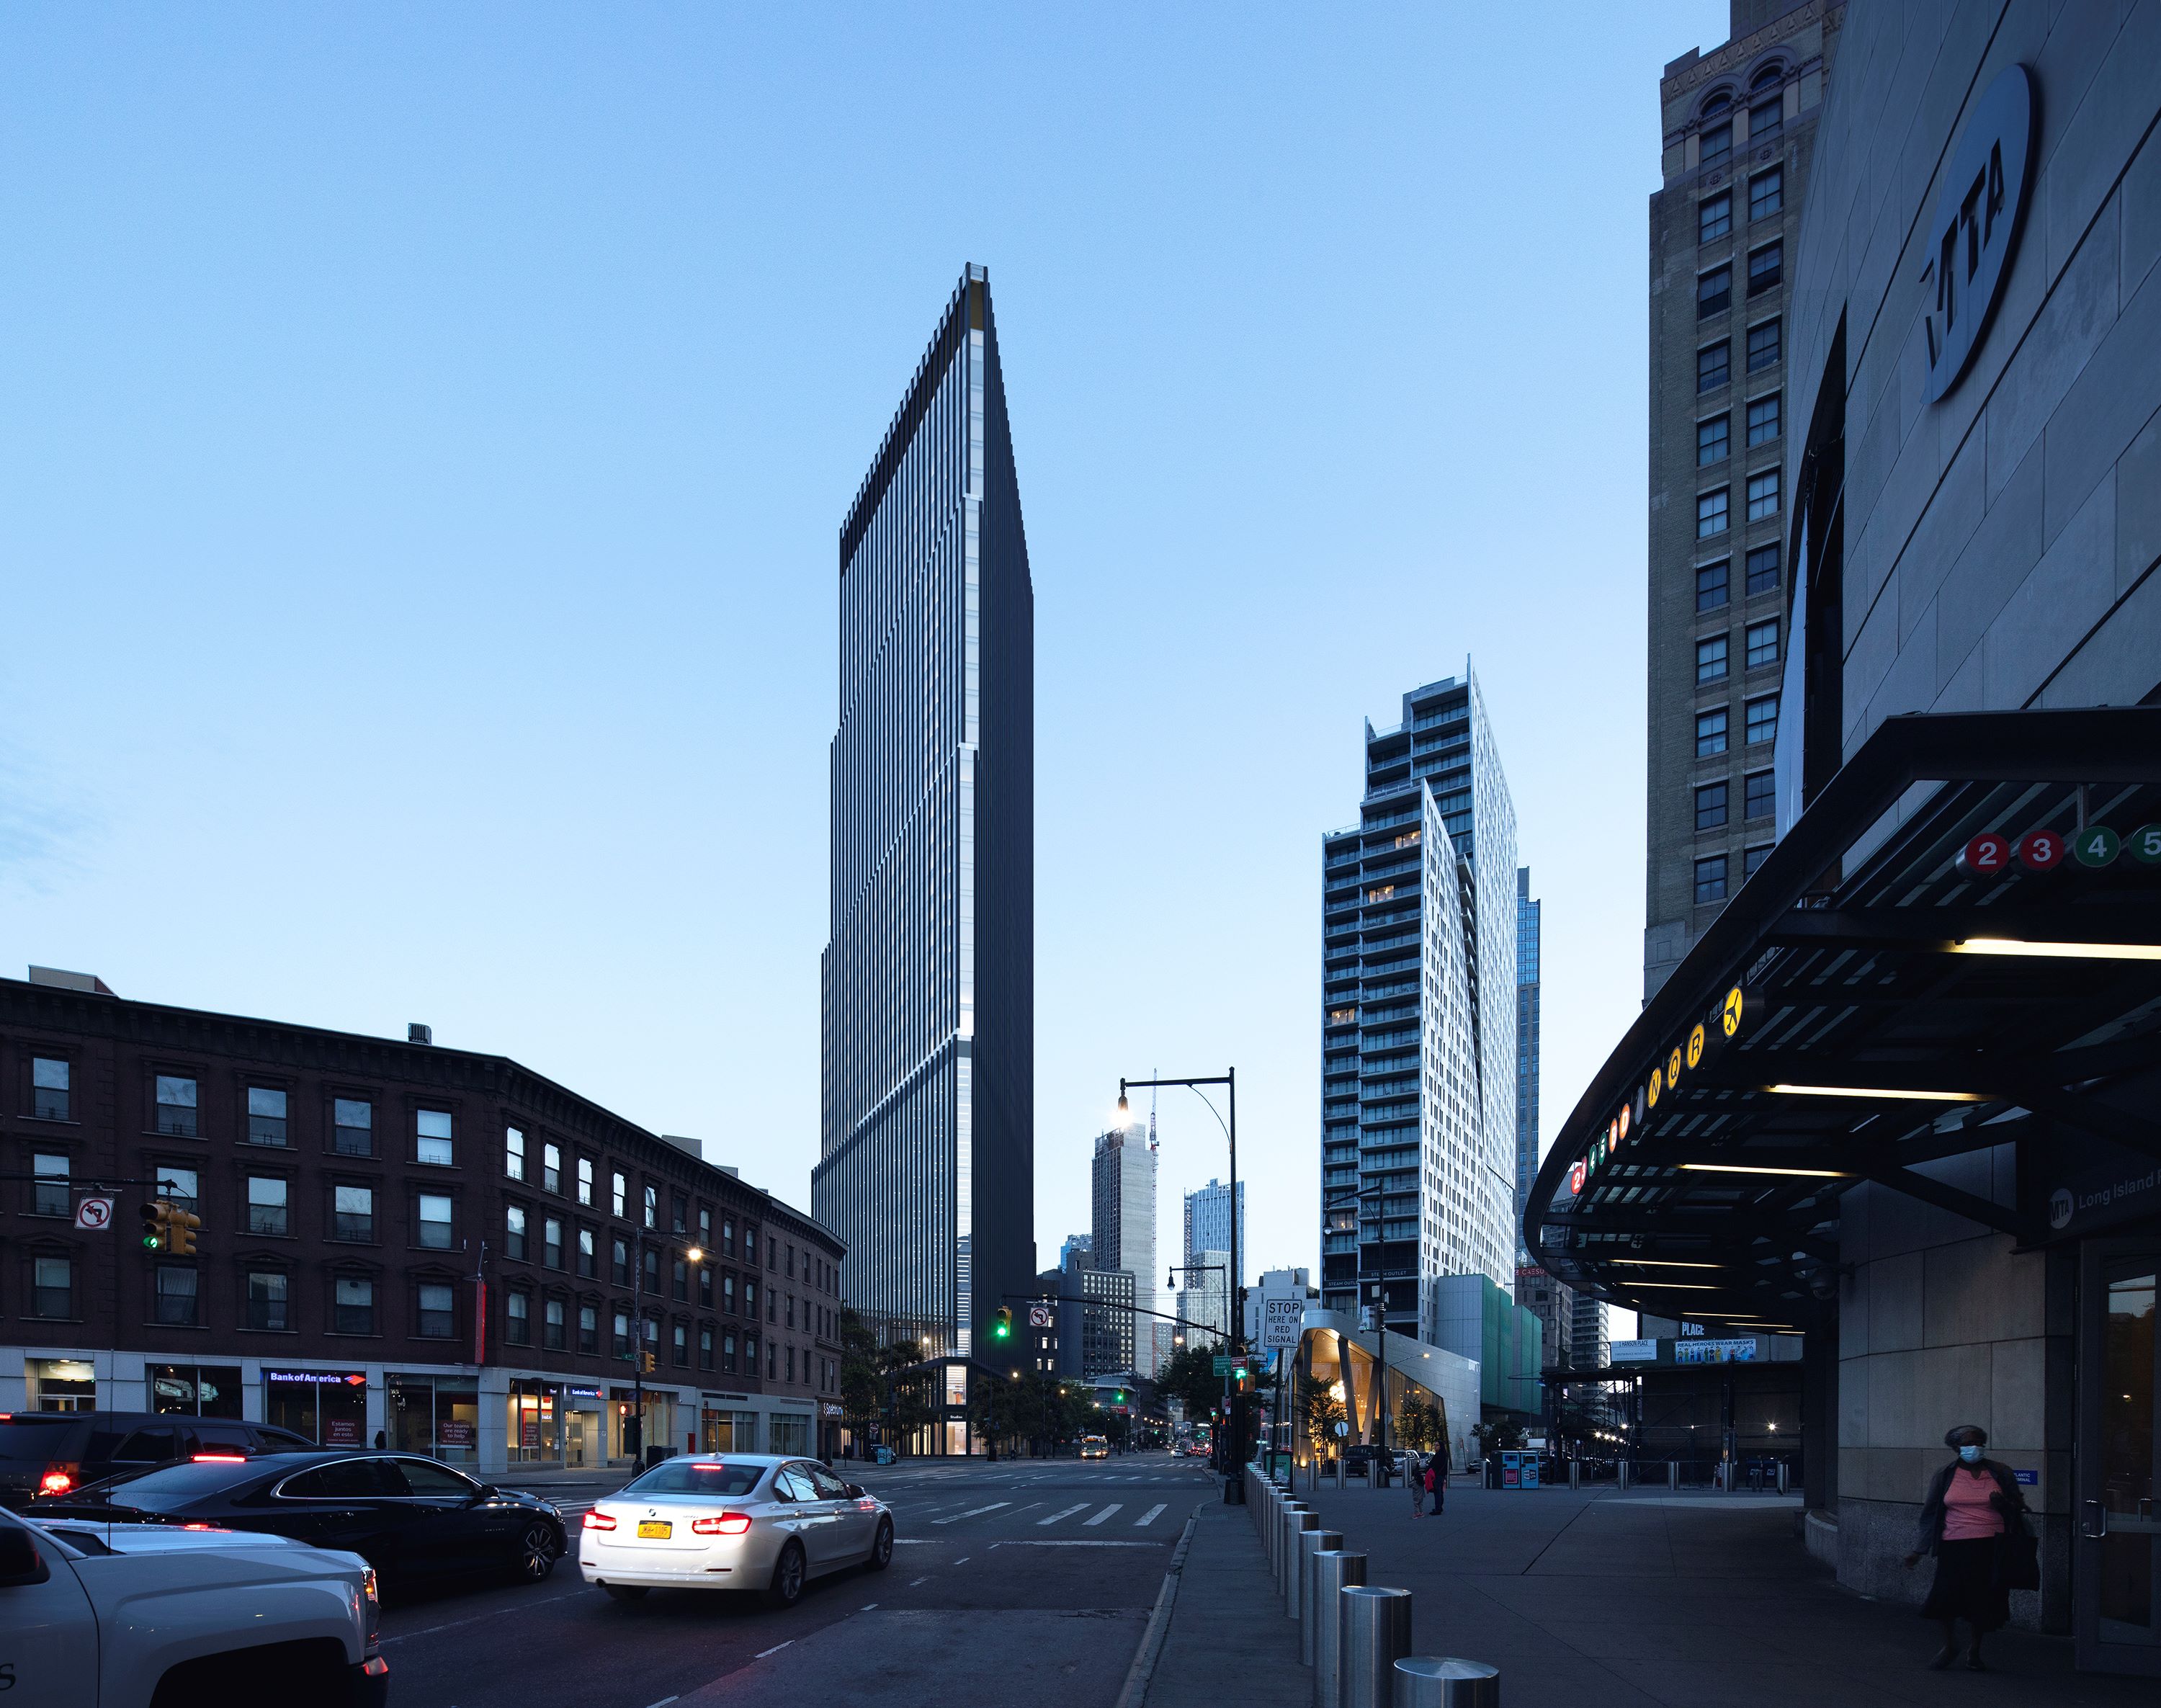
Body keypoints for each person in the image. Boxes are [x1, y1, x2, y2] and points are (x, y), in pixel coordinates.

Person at [1903, 1424, 2028, 1671]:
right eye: (1968, 1443)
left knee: (1982, 1600)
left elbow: (2019, 1507)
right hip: (1954, 1544)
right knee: (1943, 1598)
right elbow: (1931, 1514)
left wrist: (2003, 1503)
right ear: (1956, 1447)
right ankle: (1950, 1644)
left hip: (1990, 1545)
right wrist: (1919, 1550)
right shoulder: (1945, 1475)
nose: (1975, 1448)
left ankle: (1975, 1650)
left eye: (1979, 1443)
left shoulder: (2000, 1472)